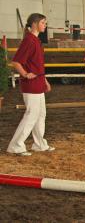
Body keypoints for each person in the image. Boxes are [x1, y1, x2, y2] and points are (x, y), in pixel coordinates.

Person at [7, 13, 54, 156]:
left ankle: (39, 144)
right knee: (32, 114)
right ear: (34, 24)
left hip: (38, 82)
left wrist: (44, 80)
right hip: (31, 84)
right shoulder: (29, 40)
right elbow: (16, 62)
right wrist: (25, 74)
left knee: (41, 114)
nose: (45, 25)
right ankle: (15, 145)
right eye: (43, 23)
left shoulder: (36, 40)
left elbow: (38, 65)